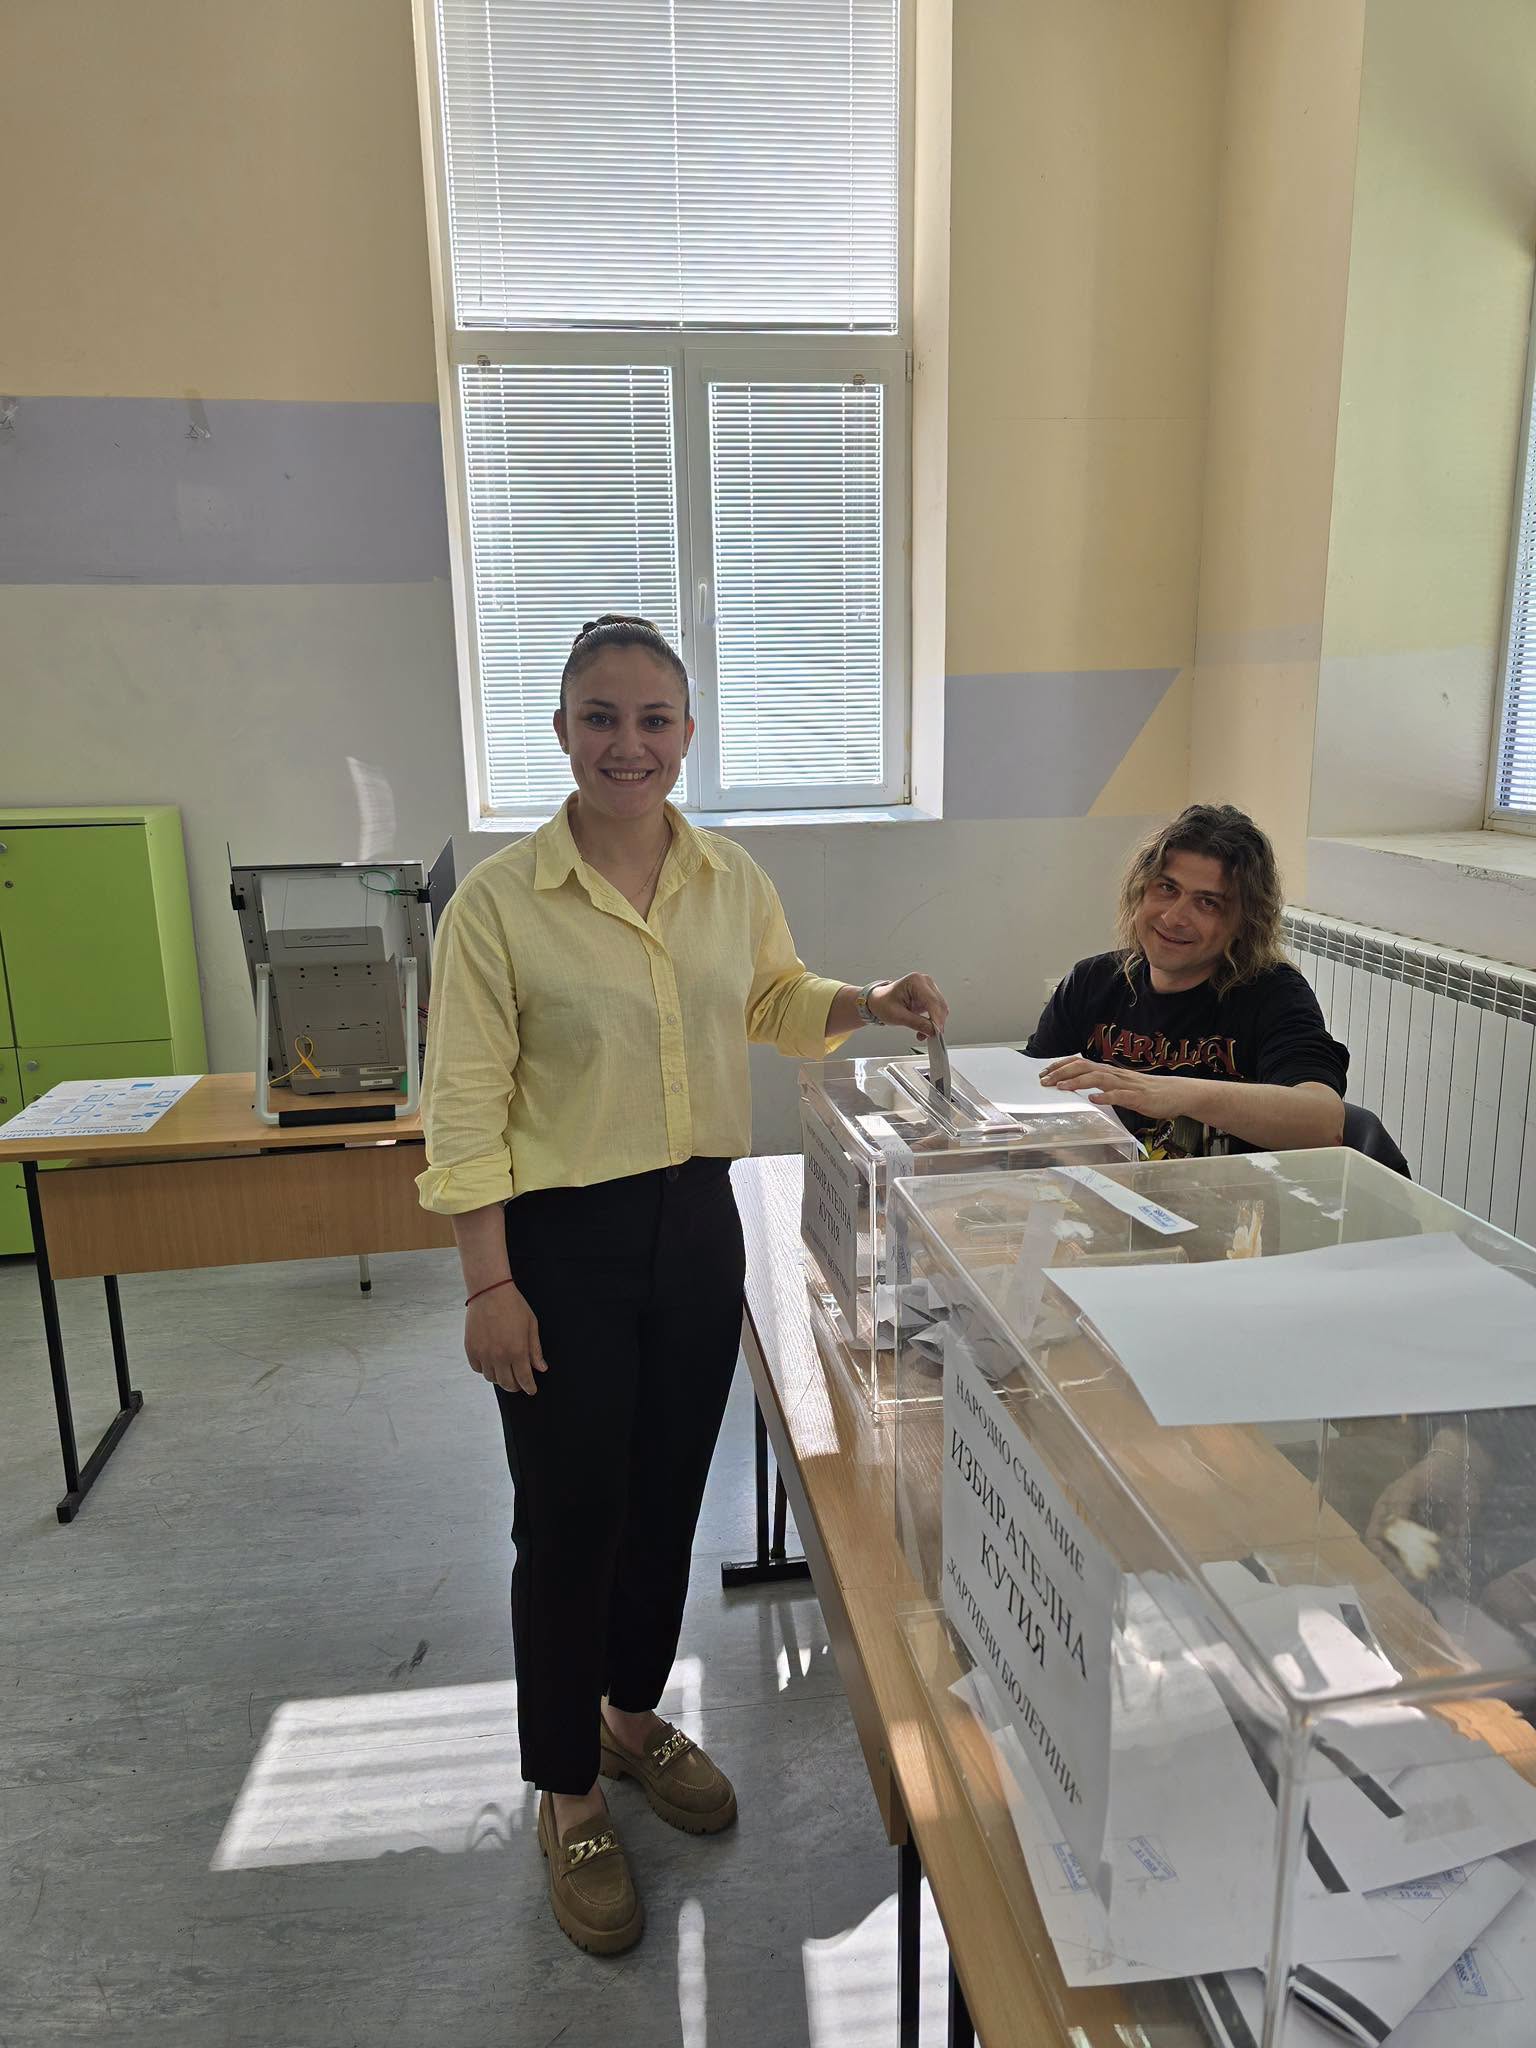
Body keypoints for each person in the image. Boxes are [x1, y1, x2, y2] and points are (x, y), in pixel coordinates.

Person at [417, 614, 948, 1956]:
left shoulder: (726, 877)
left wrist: (867, 997)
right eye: (601, 717)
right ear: (561, 732)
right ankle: (568, 1788)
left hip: (696, 1224)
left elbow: (769, 1001)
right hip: (558, 1241)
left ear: (688, 735)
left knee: (664, 1495)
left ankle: (631, 1714)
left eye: (654, 719)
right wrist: (488, 1283)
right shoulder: (499, 907)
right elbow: (465, 1107)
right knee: (570, 1514)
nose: (629, 744)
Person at [1026, 803, 1348, 1158]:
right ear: (1139, 890)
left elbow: (1323, 1123)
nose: (1173, 917)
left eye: (1208, 903)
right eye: (1167, 888)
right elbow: (1026, 1095)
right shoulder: (1091, 982)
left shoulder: (1274, 994)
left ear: (1245, 922)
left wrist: (1176, 1093)